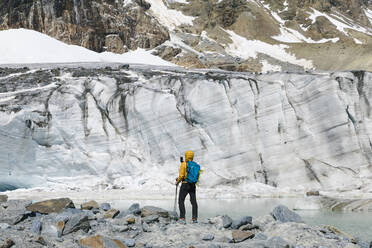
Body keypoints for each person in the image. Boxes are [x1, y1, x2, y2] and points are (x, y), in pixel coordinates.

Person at [176, 150, 199, 223]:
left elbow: (181, 175)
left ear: (186, 156)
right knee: (193, 201)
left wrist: (177, 181)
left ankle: (182, 218)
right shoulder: (195, 165)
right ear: (192, 156)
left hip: (185, 184)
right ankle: (194, 218)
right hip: (192, 185)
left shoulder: (183, 164)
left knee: (181, 200)